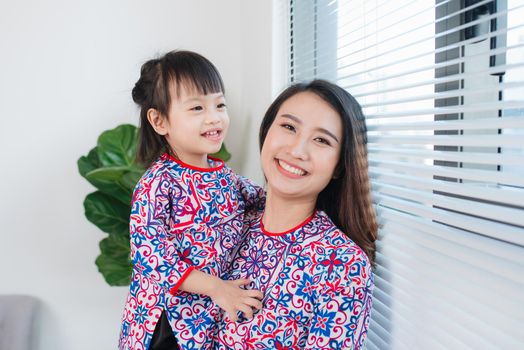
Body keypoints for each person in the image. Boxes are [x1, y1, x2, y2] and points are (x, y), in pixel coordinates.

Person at [214, 80, 378, 349]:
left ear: (339, 165)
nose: (297, 151)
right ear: (267, 132)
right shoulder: (226, 222)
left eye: (321, 140)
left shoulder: (343, 265)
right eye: (289, 127)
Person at [118, 50, 264, 350]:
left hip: (206, 319)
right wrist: (215, 287)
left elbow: (265, 201)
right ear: (159, 121)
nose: (214, 117)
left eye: (220, 104)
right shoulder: (157, 183)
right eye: (197, 108)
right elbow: (152, 257)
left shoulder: (225, 176)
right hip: (165, 324)